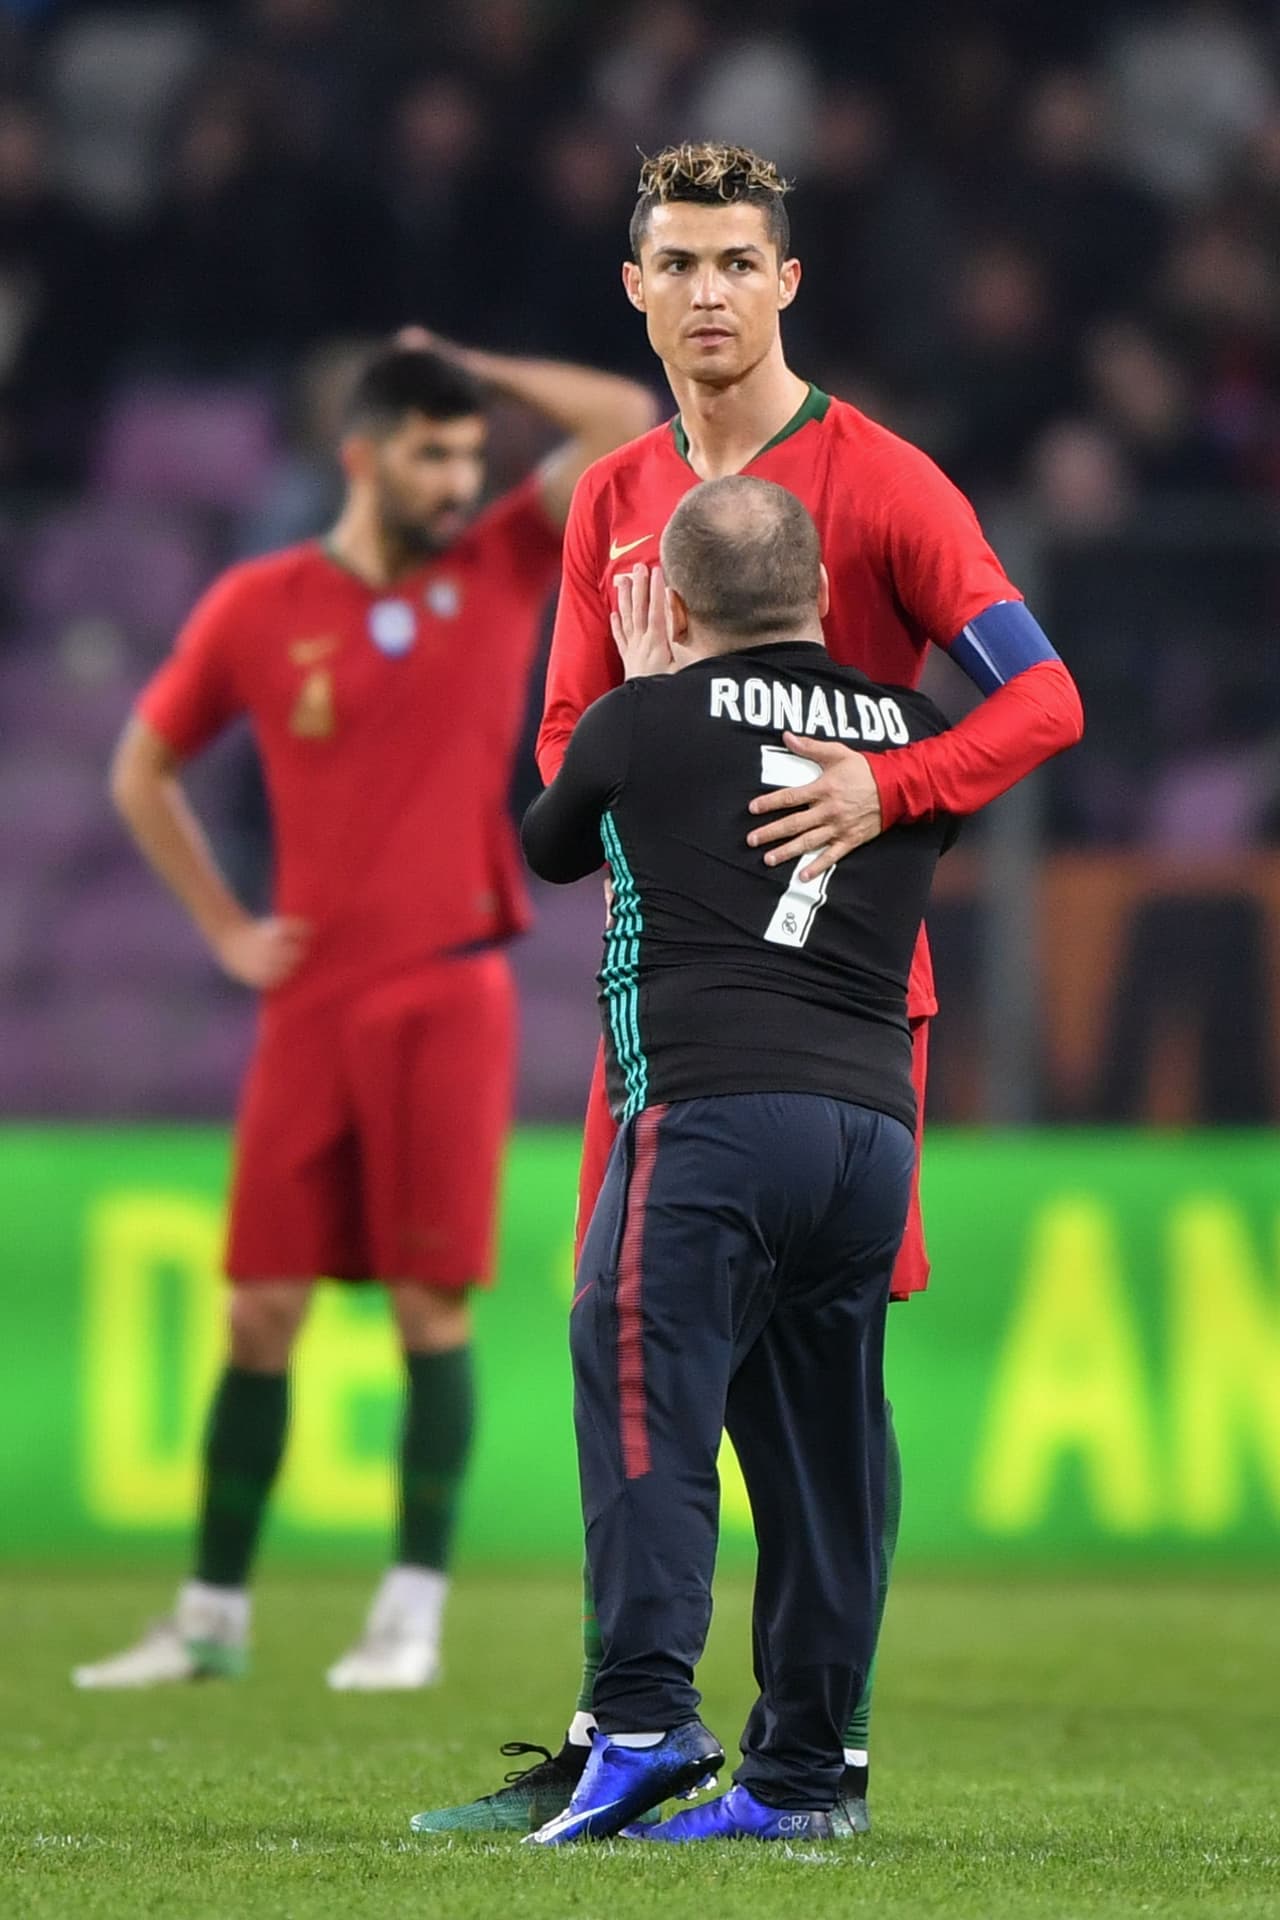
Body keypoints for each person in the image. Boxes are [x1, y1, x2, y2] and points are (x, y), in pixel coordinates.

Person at [412, 140, 1082, 1834]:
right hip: (666, 1010)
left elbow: (1044, 700)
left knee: (792, 1391)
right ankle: (637, 1725)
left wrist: (891, 788)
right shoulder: (611, 501)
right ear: (633, 289)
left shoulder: (889, 485)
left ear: (788, 282)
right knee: (645, 1355)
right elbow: (563, 749)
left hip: (848, 1009)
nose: (708, 292)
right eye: (679, 263)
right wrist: (648, 730)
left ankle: (783, 1749)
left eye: (736, 262)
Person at [72, 336, 654, 1693]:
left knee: (427, 1309)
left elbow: (624, 417)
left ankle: (409, 1611)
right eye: (432, 454)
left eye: (470, 456)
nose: (458, 481)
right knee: (258, 1313)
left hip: (449, 989)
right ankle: (210, 1616)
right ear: (361, 458)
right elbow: (142, 767)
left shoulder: (501, 564)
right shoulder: (260, 603)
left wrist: (470, 366)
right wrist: (226, 928)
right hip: (311, 1003)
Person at [519, 476, 957, 1844]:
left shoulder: (640, 720)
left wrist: (647, 692)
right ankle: (803, 1781)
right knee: (827, 1453)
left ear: (678, 602)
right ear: (820, 591)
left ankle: (645, 1715)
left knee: (638, 1380)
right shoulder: (910, 735)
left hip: (709, 1114)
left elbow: (548, 844)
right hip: (871, 1134)